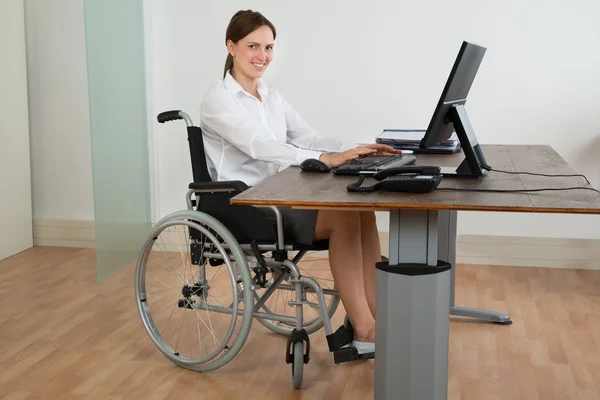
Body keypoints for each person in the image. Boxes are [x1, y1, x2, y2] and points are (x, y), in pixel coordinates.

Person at [200, 9, 400, 353]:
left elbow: (308, 134)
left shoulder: (271, 96)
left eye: (269, 47)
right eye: (253, 46)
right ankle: (366, 329)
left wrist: (355, 149)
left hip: (279, 195)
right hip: (246, 205)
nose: (262, 56)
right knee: (342, 218)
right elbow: (260, 146)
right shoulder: (219, 101)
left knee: (361, 209)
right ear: (231, 47)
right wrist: (323, 160)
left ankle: (374, 318)